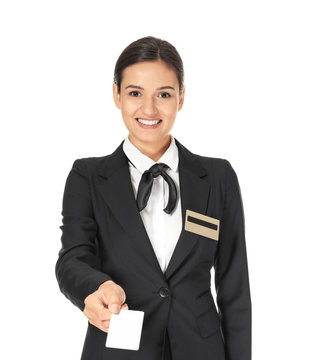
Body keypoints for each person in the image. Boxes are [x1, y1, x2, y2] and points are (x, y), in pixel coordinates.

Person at [55, 35, 252, 360]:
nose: (149, 109)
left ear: (181, 98)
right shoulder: (87, 176)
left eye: (164, 94)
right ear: (117, 95)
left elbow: (234, 286)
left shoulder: (218, 177)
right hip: (118, 348)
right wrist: (97, 286)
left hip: (200, 350)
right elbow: (73, 258)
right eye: (135, 93)